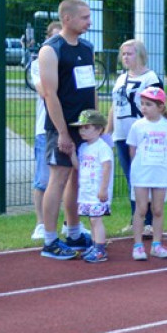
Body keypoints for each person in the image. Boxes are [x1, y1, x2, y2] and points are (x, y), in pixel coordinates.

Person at [38, 0, 98, 260]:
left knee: (77, 179)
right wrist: (62, 133)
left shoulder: (87, 48)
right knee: (58, 178)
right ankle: (50, 241)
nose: (89, 22)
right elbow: (50, 94)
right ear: (67, 19)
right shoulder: (51, 50)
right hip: (61, 127)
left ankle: (73, 233)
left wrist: (96, 123)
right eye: (84, 17)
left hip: (85, 127)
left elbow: (91, 87)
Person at [107, 39, 163, 237]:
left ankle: (148, 222)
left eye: (129, 53)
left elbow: (158, 106)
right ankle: (135, 220)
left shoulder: (150, 78)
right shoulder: (121, 78)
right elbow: (115, 105)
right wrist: (108, 131)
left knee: (144, 177)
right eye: (123, 54)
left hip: (143, 136)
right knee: (132, 178)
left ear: (139, 55)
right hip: (122, 135)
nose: (125, 57)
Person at [127, 86, 167, 261]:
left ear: (160, 107)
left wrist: (162, 166)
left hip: (160, 174)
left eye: (148, 104)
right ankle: (138, 245)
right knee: (141, 208)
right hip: (142, 173)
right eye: (142, 104)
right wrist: (141, 166)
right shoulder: (137, 126)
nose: (144, 108)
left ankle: (157, 244)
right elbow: (132, 150)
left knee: (157, 209)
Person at [30, 20, 62, 240]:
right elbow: (46, 90)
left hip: (70, 127)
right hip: (46, 128)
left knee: (70, 178)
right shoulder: (37, 63)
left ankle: (72, 223)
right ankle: (41, 224)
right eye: (55, 37)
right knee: (43, 178)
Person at [70, 110, 114, 264]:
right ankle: (95, 246)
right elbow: (79, 167)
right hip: (86, 192)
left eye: (86, 127)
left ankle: (100, 249)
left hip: (97, 192)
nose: (82, 131)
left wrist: (103, 189)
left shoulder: (102, 147)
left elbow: (106, 168)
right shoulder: (83, 147)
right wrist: (71, 155)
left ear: (99, 130)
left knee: (96, 220)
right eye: (81, 128)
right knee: (91, 220)